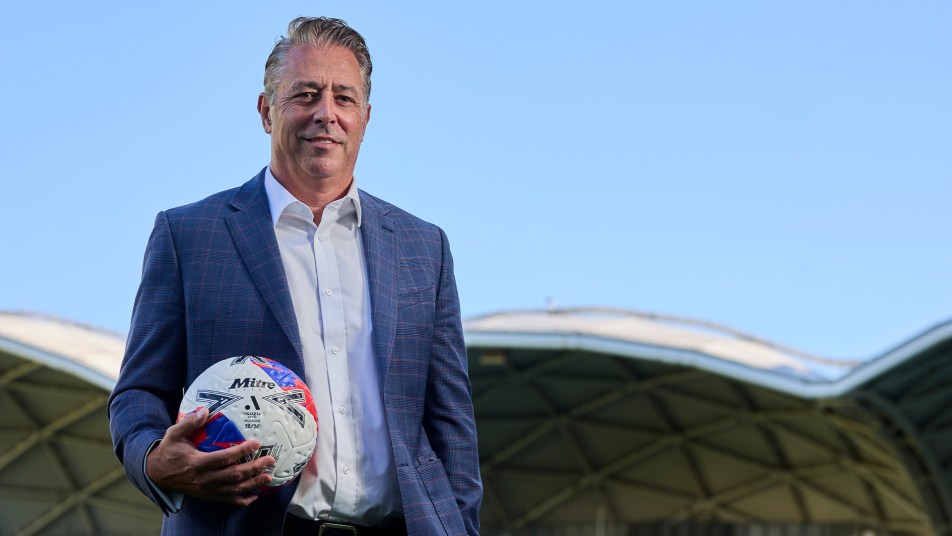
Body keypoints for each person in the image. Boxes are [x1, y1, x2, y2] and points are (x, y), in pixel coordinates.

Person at [108, 16, 482, 536]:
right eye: (305, 94)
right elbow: (138, 392)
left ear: (366, 117)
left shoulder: (424, 247)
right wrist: (152, 458)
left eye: (343, 98)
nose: (326, 114)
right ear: (266, 111)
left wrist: (459, 525)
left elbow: (451, 426)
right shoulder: (189, 235)